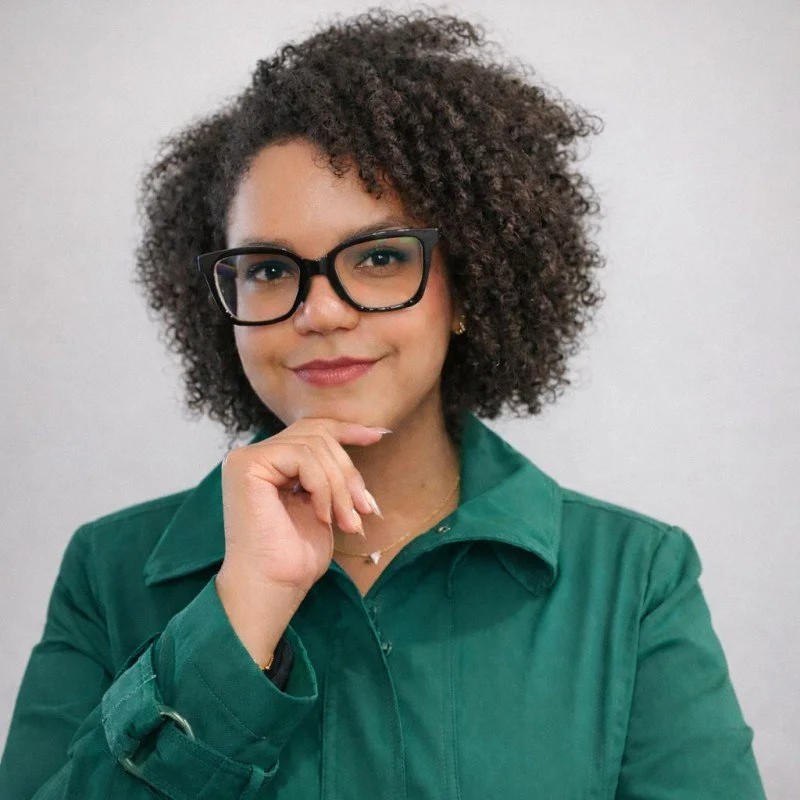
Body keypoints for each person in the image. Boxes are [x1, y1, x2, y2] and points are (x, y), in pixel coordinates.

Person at [0, 8, 766, 799]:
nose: (320, 311)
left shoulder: (632, 580)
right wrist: (236, 618)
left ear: (465, 285)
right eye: (267, 269)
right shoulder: (110, 572)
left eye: (378, 257)